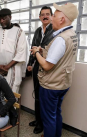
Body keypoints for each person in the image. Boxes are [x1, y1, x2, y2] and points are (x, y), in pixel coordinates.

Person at [30, 3, 78, 137]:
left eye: (54, 16)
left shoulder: (60, 39)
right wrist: (42, 50)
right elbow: (60, 55)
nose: (51, 18)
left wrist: (36, 53)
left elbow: (46, 65)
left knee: (48, 118)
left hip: (52, 85)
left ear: (62, 19)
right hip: (63, 82)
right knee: (56, 113)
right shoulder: (71, 34)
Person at [27, 6, 54, 134]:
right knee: (37, 96)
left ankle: (42, 123)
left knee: (44, 97)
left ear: (51, 16)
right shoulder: (38, 31)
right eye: (42, 14)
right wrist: (30, 63)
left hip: (47, 68)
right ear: (39, 17)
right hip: (37, 67)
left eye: (47, 14)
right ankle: (38, 120)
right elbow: (33, 47)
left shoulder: (55, 30)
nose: (45, 16)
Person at [0, 8, 28, 93]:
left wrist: (7, 67)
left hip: (13, 69)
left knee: (11, 96)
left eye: (4, 18)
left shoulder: (19, 32)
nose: (1, 21)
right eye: (0, 19)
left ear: (10, 17)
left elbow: (21, 52)